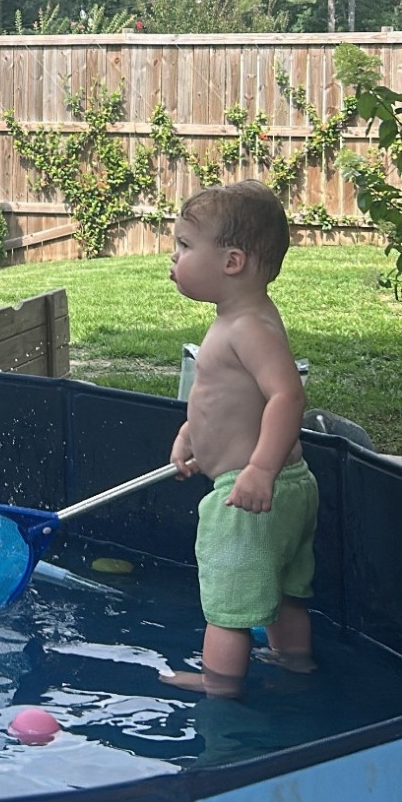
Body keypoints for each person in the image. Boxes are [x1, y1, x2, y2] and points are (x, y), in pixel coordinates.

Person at [162, 180, 317, 698]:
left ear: (232, 262)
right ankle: (296, 662)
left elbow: (286, 397)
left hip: (248, 495)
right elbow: (232, 399)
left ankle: (220, 685)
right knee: (287, 593)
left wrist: (258, 470)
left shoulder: (246, 327)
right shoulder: (242, 317)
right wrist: (192, 433)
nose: (174, 256)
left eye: (184, 246)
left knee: (227, 606)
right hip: (289, 488)